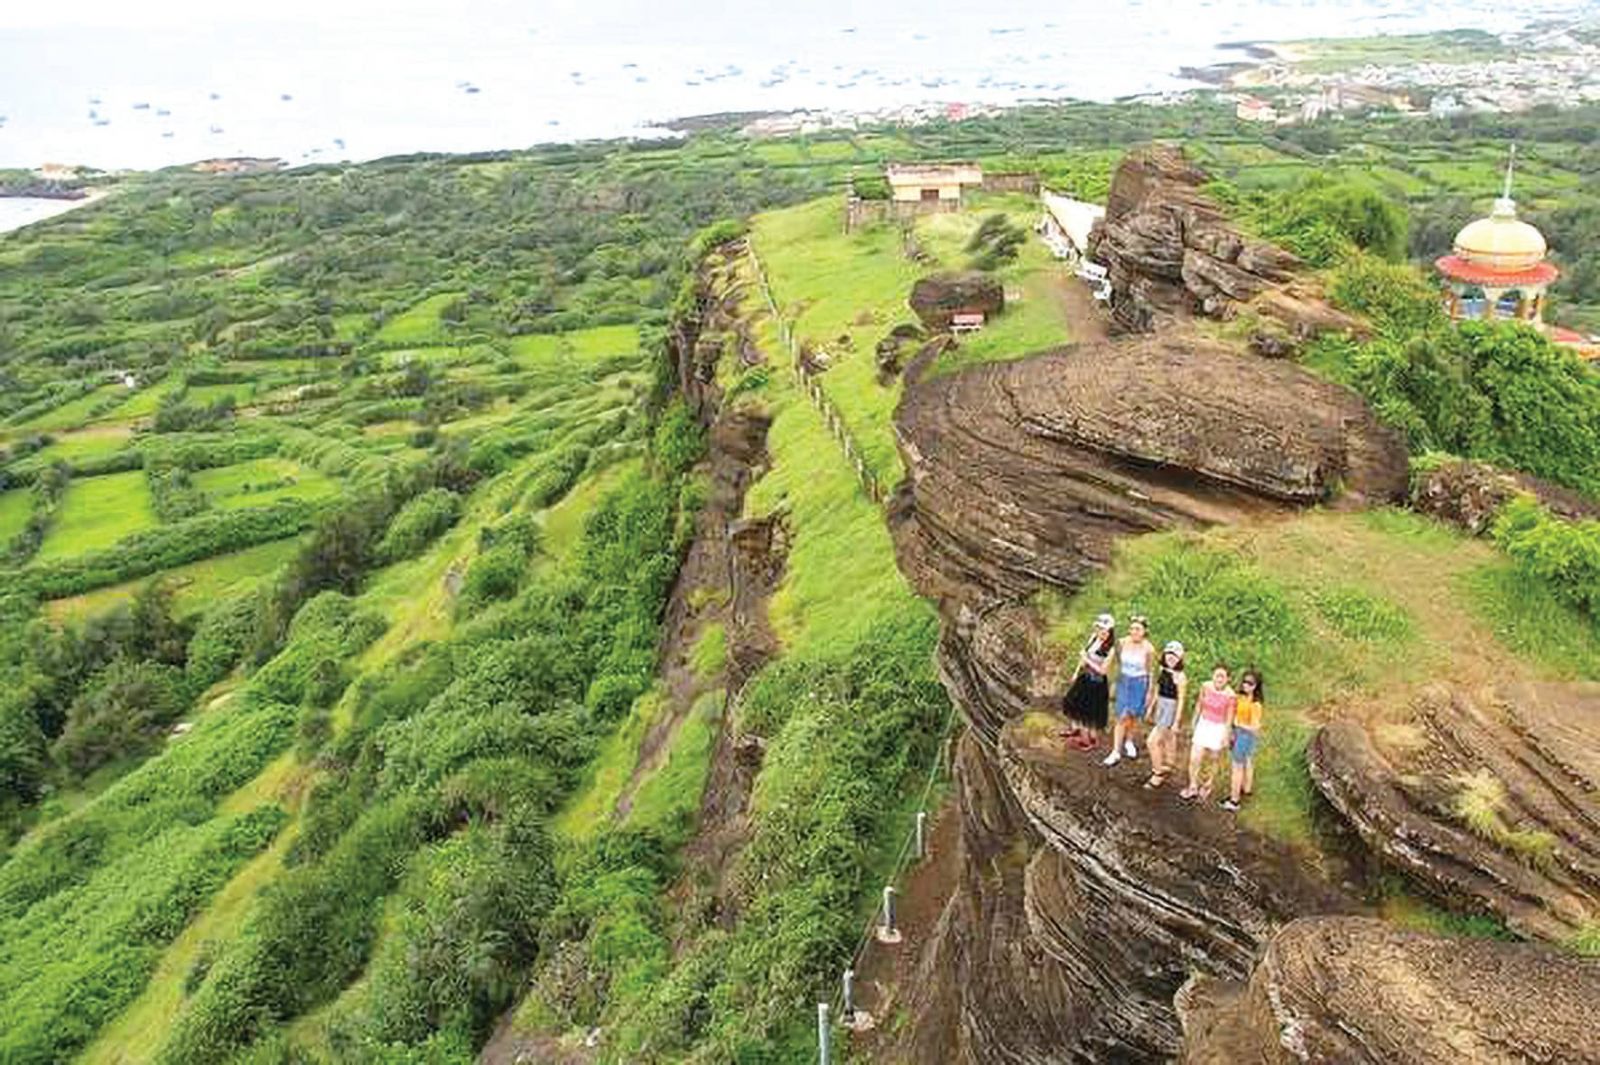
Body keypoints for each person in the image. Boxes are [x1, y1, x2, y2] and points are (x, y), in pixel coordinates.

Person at [1104, 615, 1155, 767]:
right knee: (1121, 717)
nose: (1134, 632)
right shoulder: (1122, 643)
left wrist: (1149, 692)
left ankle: (1129, 741)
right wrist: (1114, 680)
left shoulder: (1149, 649)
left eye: (1138, 629)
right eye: (1132, 628)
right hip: (1124, 681)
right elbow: (1117, 662)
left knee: (1133, 715)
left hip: (1140, 683)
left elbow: (1150, 671)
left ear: (1144, 631)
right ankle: (1115, 751)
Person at [1181, 663, 1236, 802]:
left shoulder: (1230, 695)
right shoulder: (1206, 686)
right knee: (1195, 757)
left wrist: (1226, 734)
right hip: (1204, 723)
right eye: (1217, 675)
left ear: (1228, 679)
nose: (1219, 679)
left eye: (1222, 676)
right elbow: (1200, 703)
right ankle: (1193, 785)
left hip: (1218, 727)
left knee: (1213, 758)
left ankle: (1207, 784)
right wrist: (1194, 720)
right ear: (1212, 675)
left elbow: (1230, 717)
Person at [1060, 613, 1115, 752]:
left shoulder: (1110, 649)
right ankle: (1076, 729)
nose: (1101, 632)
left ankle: (1089, 740)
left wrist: (1087, 660)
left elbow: (1103, 671)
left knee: (1089, 712)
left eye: (1104, 630)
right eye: (1099, 628)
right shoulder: (1093, 638)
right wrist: (1076, 672)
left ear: (1110, 631)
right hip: (1085, 677)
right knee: (1072, 702)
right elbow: (1083, 657)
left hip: (1096, 682)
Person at [1143, 640, 1187, 789]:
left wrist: (1176, 721)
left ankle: (1158, 773)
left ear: (1180, 658)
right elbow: (1158, 688)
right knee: (1168, 737)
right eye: (1169, 655)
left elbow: (1181, 700)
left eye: (1175, 656)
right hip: (1161, 705)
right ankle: (1169, 763)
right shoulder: (1163, 669)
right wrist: (1151, 707)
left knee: (1152, 741)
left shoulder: (1180, 677)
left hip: (1171, 708)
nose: (1171, 659)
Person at [1221, 668, 1265, 812]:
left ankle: (1234, 801)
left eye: (1250, 683)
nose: (1246, 685)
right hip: (1240, 734)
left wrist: (1236, 723)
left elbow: (1255, 727)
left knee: (1237, 766)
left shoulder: (1255, 704)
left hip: (1245, 735)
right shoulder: (1241, 696)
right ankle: (1246, 788)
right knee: (1247, 761)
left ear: (1256, 686)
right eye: (1244, 682)